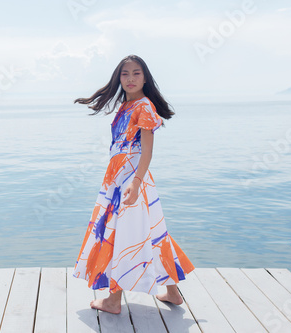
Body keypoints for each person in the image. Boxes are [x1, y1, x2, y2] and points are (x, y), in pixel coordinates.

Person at [72, 54, 195, 314]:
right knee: (150, 232)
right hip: (119, 179)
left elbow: (147, 151)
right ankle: (173, 293)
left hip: (131, 179)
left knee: (121, 233)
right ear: (119, 78)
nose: (130, 79)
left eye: (136, 73)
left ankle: (113, 301)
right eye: (125, 74)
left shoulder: (144, 106)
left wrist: (136, 183)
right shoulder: (126, 107)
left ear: (145, 77)